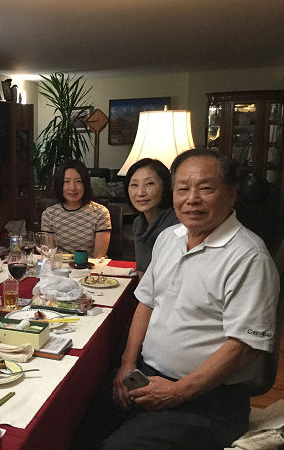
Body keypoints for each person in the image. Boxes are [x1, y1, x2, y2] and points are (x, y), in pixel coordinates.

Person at [105, 150, 280, 449]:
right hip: (146, 376)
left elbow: (243, 347)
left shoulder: (249, 256)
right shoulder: (169, 237)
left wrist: (177, 392)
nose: (192, 199)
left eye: (206, 188)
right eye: (183, 189)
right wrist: (127, 365)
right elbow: (146, 302)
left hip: (207, 400)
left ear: (232, 194)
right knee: (73, 411)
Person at [41, 160, 111, 257]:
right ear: (59, 184)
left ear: (85, 184)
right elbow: (49, 254)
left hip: (90, 264)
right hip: (59, 265)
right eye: (66, 181)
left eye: (78, 181)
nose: (72, 188)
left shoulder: (100, 213)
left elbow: (99, 256)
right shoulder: (49, 214)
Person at [124, 158, 179, 276]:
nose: (140, 193)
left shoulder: (176, 224)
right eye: (134, 185)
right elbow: (141, 272)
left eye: (150, 184)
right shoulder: (138, 223)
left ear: (165, 186)